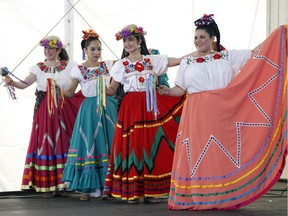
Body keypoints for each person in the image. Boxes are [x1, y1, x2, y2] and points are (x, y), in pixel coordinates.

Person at [158, 14, 287, 210]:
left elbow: (256, 54)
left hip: (222, 111)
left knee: (220, 154)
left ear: (212, 39)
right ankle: (198, 196)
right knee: (199, 153)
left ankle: (223, 196)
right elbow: (180, 89)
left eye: (202, 37)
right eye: (196, 37)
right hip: (196, 113)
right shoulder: (187, 63)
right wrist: (167, 91)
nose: (198, 41)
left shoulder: (228, 57)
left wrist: (277, 36)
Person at [103, 24, 186, 204]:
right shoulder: (121, 65)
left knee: (149, 143)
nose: (127, 43)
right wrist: (99, 87)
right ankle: (133, 191)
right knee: (134, 144)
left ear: (139, 41)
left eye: (131, 39)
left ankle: (150, 191)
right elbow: (111, 89)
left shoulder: (152, 60)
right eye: (125, 40)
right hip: (131, 107)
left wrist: (197, 56)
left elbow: (178, 60)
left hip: (149, 106)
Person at [4, 35, 84, 197]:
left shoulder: (69, 66)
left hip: (64, 107)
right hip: (45, 110)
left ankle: (67, 182)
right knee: (47, 142)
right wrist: (12, 82)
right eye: (46, 48)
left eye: (52, 48)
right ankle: (49, 184)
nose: (48, 51)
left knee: (65, 140)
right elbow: (24, 84)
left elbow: (77, 83)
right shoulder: (38, 68)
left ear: (59, 50)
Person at [60, 30, 118, 201]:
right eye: (92, 49)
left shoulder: (108, 64)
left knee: (109, 142)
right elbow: (70, 91)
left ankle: (109, 186)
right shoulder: (79, 70)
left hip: (108, 107)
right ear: (85, 50)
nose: (96, 52)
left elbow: (126, 61)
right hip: (89, 109)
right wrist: (57, 90)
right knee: (89, 145)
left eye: (99, 49)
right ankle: (86, 187)